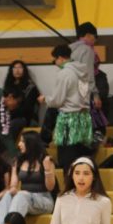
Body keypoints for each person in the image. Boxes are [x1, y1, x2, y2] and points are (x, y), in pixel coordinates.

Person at [45, 43, 96, 171]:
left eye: (55, 60)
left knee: (67, 158)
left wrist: (45, 99)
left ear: (60, 58)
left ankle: (69, 188)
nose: (55, 63)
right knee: (82, 157)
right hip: (84, 117)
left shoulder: (65, 73)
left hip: (69, 119)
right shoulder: (83, 71)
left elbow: (57, 100)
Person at [0, 131, 56, 221]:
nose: (19, 144)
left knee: (22, 195)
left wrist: (47, 170)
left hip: (44, 200)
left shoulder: (45, 160)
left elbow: (50, 188)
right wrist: (12, 189)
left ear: (31, 143)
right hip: (24, 198)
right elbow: (13, 185)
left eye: (22, 141)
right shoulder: (18, 161)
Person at [4, 59, 43, 126]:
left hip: (26, 118)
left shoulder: (30, 87)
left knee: (11, 125)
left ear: (24, 70)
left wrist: (11, 113)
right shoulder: (8, 86)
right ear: (11, 71)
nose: (17, 70)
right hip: (10, 117)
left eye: (20, 68)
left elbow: (28, 108)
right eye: (15, 68)